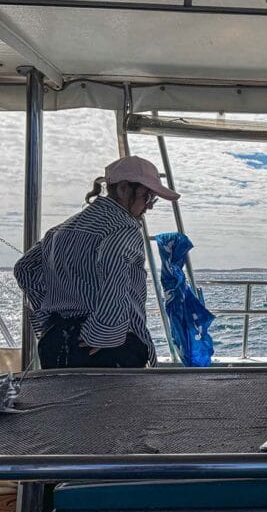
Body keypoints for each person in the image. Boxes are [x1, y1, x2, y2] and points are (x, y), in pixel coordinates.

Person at [14, 155, 179, 369]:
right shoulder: (124, 227)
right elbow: (114, 269)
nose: (149, 206)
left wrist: (48, 320)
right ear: (123, 189)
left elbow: (24, 269)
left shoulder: (61, 229)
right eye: (147, 197)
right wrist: (104, 331)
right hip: (105, 348)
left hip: (55, 342)